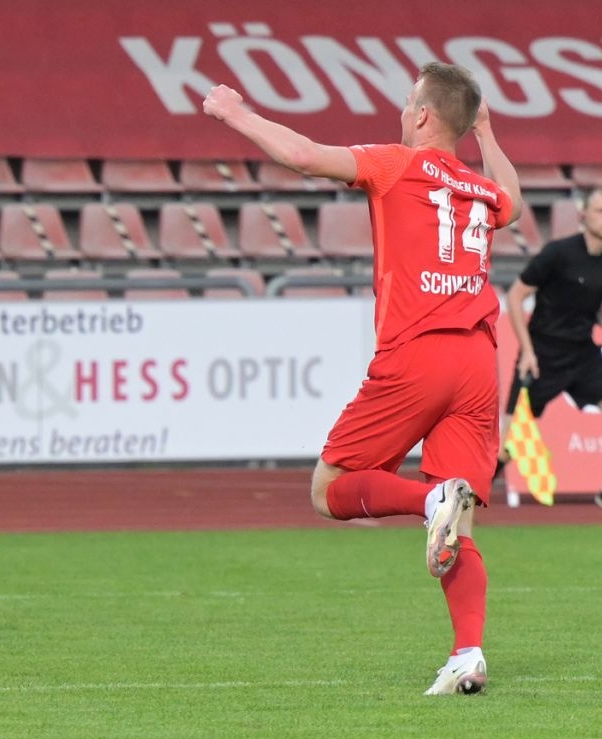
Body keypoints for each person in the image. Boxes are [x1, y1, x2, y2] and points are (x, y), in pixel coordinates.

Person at [203, 64, 522, 696]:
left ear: (423, 115)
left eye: (408, 103)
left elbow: (303, 156)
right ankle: (468, 654)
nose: (403, 112)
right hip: (478, 360)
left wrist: (234, 113)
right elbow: (511, 196)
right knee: (460, 524)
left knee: (329, 489)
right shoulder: (480, 189)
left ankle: (428, 500)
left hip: (419, 353)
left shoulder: (396, 163)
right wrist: (486, 132)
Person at [502, 188, 602, 521]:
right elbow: (515, 296)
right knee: (507, 445)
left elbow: (595, 307)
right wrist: (527, 351)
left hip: (583, 355)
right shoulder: (558, 253)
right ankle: (464, 507)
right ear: (583, 216)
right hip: (542, 355)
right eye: (601, 211)